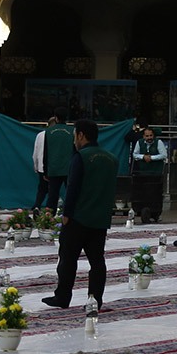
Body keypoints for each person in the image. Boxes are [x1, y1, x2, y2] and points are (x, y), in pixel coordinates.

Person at [43, 120, 116, 310]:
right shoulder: (111, 159)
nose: (74, 140)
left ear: (81, 135)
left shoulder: (81, 157)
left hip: (78, 217)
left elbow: (73, 187)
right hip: (100, 219)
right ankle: (95, 300)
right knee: (97, 262)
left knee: (68, 260)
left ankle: (63, 297)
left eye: (75, 135)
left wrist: (66, 214)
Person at [130, 126, 165, 222]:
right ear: (143, 136)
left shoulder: (159, 142)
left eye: (151, 135)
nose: (149, 138)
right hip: (142, 173)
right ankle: (141, 210)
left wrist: (151, 158)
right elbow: (135, 154)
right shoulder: (139, 142)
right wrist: (143, 157)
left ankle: (156, 213)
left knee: (155, 193)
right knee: (142, 192)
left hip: (156, 173)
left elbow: (163, 155)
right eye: (147, 136)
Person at [43, 114, 74, 211]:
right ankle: (71, 215)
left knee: (52, 196)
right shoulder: (72, 131)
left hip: (54, 168)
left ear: (56, 118)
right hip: (69, 168)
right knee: (72, 194)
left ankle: (49, 216)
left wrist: (45, 170)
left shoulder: (48, 131)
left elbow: (45, 152)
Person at [31, 116, 55, 210]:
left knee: (42, 189)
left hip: (42, 167)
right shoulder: (57, 136)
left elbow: (35, 152)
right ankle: (50, 209)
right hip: (55, 167)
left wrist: (36, 166)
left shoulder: (40, 135)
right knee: (54, 190)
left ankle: (37, 206)